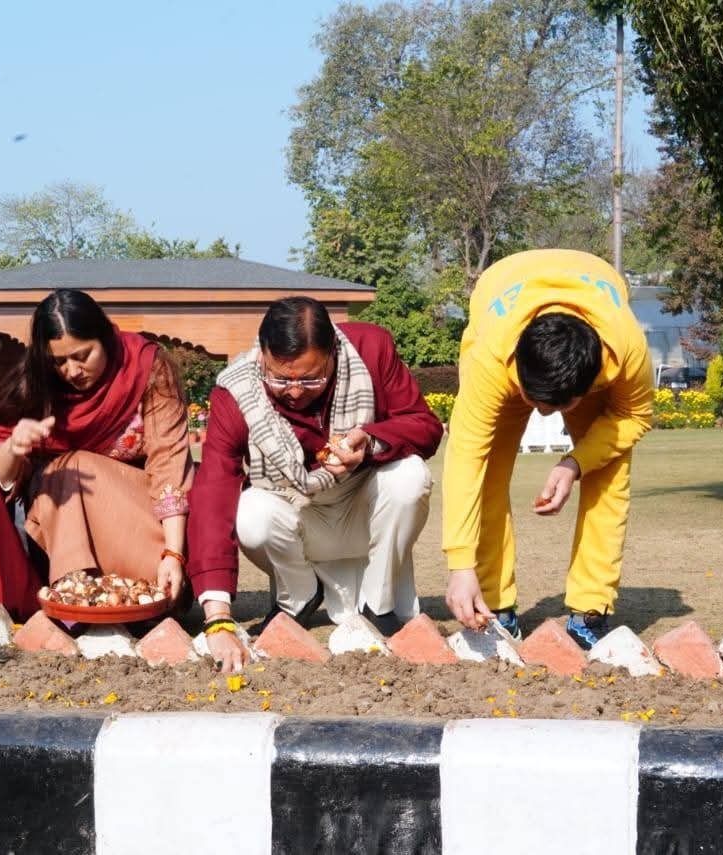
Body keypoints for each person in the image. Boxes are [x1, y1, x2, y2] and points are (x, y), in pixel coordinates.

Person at [188, 296, 444, 673]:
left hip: (363, 509)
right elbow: (213, 492)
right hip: (295, 518)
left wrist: (370, 441)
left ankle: (379, 605)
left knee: (410, 476)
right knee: (248, 510)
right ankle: (299, 595)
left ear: (334, 355)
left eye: (311, 378)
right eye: (280, 378)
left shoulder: (370, 351)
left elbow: (425, 427)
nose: (294, 391)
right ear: (262, 356)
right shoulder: (235, 391)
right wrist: (218, 616)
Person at [442, 249, 653, 650]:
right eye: (533, 398)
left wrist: (576, 462)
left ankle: (590, 610)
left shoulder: (626, 350)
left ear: (593, 381)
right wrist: (460, 565)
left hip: (595, 283)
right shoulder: (492, 356)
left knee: (608, 475)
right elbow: (465, 458)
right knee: (486, 472)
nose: (542, 414)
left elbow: (636, 417)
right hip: (501, 288)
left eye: (556, 407)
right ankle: (494, 604)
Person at [0, 289, 193, 621]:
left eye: (82, 355)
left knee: (73, 464)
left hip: (145, 525)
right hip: (59, 521)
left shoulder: (146, 369)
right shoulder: (34, 383)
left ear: (105, 337)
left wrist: (173, 554)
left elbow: (169, 463)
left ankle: (107, 599)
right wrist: (13, 448)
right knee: (62, 472)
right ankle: (76, 597)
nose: (72, 371)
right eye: (58, 361)